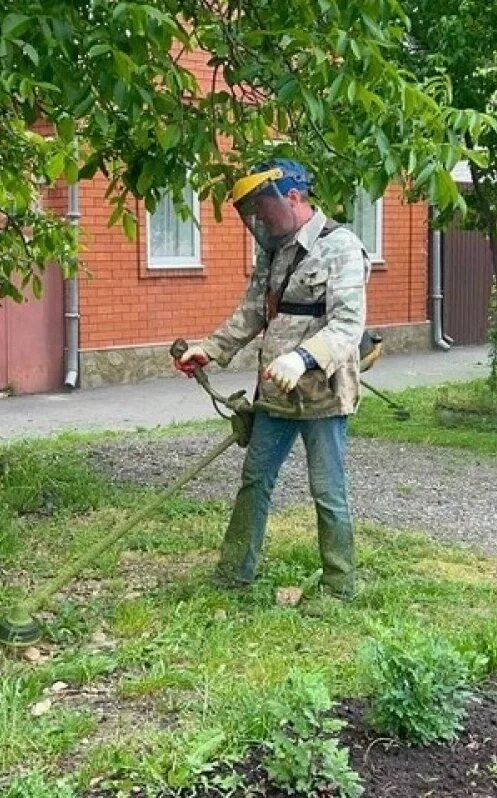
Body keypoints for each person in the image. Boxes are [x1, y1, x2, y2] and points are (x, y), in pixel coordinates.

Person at [173, 159, 371, 600]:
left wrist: (303, 359)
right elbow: (255, 311)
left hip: (321, 395)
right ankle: (234, 572)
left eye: (264, 209)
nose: (259, 220)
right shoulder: (275, 250)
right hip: (275, 395)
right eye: (255, 213)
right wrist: (211, 347)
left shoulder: (340, 246)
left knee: (328, 491)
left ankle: (338, 586)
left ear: (295, 198)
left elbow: (347, 327)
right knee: (254, 479)